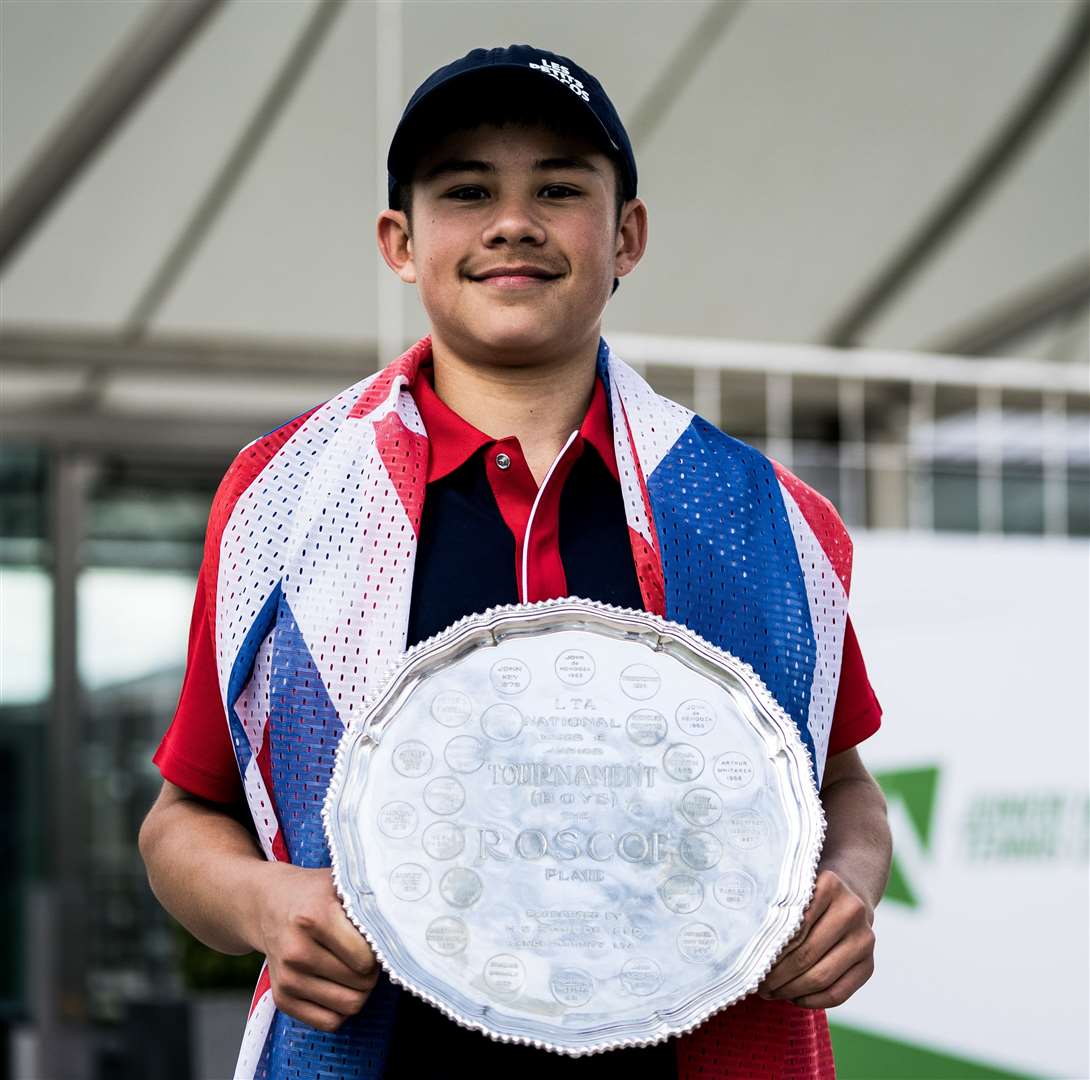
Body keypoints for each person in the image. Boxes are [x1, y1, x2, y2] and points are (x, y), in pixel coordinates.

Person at [139, 45, 891, 1079]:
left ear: (625, 234)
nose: (512, 221)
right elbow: (184, 817)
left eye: (557, 186)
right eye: (466, 190)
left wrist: (847, 883)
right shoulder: (286, 498)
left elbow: (843, 785)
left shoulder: (759, 514)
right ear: (398, 242)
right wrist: (265, 903)